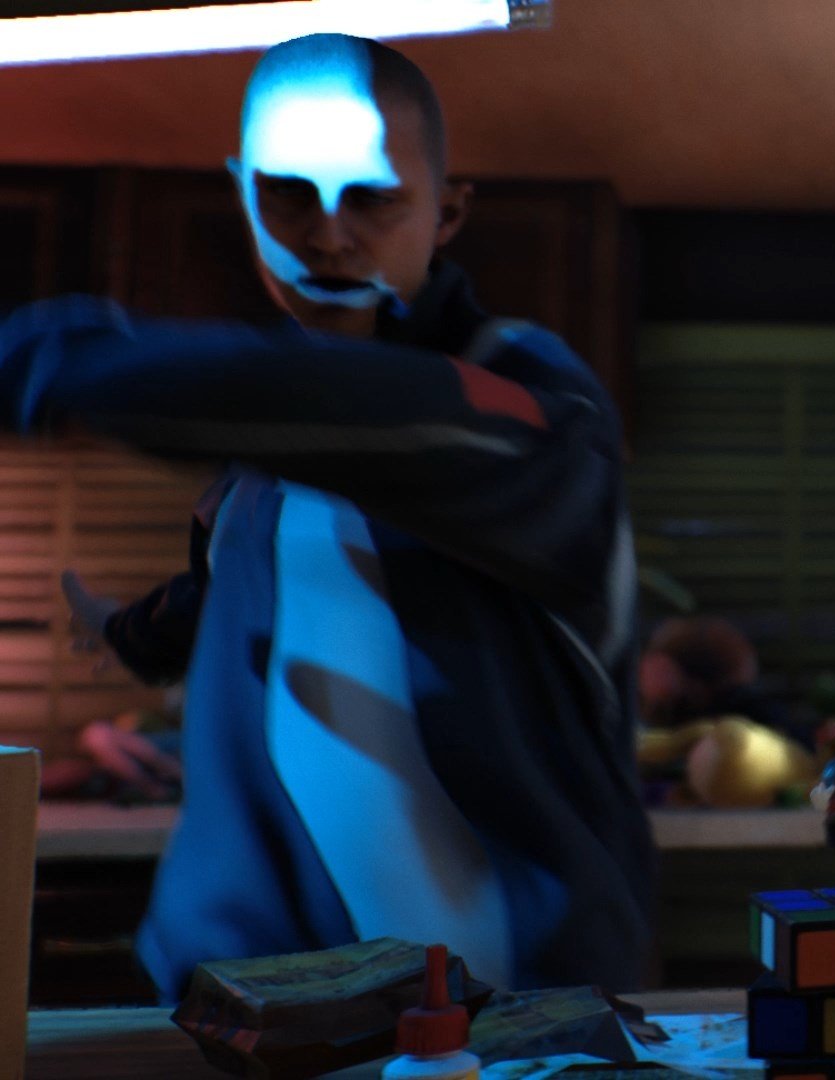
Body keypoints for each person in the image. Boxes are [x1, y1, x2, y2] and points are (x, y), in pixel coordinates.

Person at [0, 33, 656, 1000]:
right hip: (255, 1001)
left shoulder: (533, 399)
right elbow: (240, 583)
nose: (331, 237)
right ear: (242, 192)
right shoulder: (259, 463)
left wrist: (57, 356)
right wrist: (130, 630)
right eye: (289, 195)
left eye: (374, 198)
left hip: (504, 1015)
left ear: (447, 212)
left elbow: (394, 419)